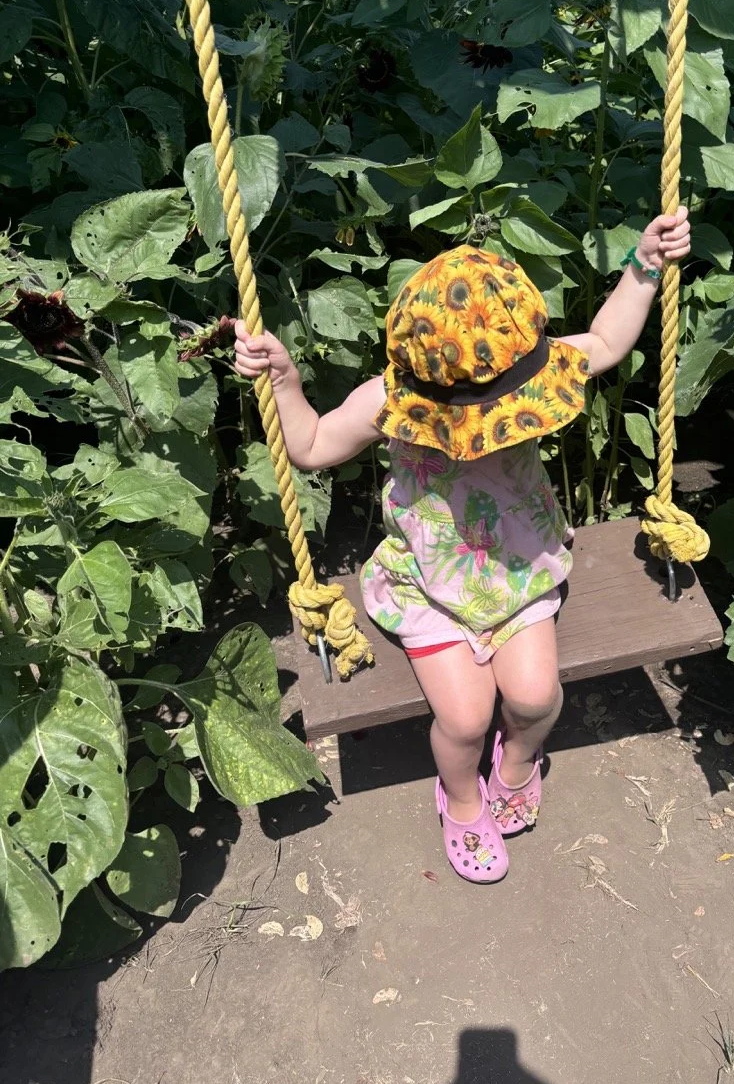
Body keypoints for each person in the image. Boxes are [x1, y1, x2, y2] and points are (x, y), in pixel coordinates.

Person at [234, 210, 691, 883]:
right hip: (428, 585)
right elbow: (309, 444)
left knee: (534, 698)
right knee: (466, 718)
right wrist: (283, 382)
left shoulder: (532, 367)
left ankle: (519, 761)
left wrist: (645, 264)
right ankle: (463, 798)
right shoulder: (391, 400)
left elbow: (605, 338)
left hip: (519, 571)